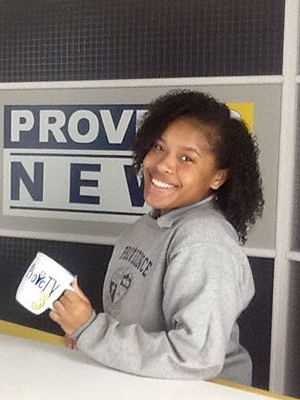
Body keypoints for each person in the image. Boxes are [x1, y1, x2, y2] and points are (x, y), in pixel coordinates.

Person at [49, 90, 263, 385]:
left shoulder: (204, 240)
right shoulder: (143, 228)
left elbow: (196, 356)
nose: (163, 164)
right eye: (159, 147)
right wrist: (95, 339)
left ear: (218, 177)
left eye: (187, 158)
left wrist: (91, 330)